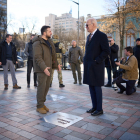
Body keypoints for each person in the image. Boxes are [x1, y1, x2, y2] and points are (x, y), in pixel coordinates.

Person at [83, 18, 110, 116]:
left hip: (97, 66)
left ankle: (99, 109)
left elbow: (106, 51)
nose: (86, 27)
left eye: (87, 25)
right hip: (89, 66)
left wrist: (97, 60)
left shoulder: (101, 36)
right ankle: (94, 107)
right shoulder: (88, 37)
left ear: (93, 24)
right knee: (91, 86)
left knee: (97, 87)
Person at [33, 26, 61, 114]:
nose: (51, 32)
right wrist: (44, 68)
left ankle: (42, 103)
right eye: (49, 31)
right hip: (42, 69)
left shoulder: (49, 42)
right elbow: (37, 57)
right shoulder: (37, 43)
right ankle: (39, 106)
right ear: (44, 33)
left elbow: (53, 55)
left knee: (47, 86)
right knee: (41, 87)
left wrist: (57, 65)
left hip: (49, 68)